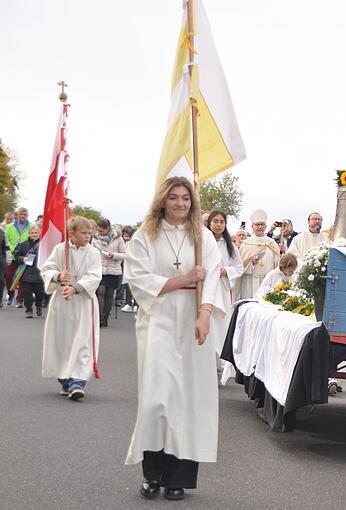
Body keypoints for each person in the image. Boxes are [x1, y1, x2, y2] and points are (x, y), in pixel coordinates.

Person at [124, 176, 226, 501]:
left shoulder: (202, 236)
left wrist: (205, 313)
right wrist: (183, 278)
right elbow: (138, 279)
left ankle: (178, 477)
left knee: (190, 399)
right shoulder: (145, 236)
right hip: (160, 319)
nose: (180, 203)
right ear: (163, 201)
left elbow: (211, 275)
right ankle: (152, 474)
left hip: (193, 320)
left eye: (185, 198)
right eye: (174, 198)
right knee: (158, 398)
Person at [40, 216, 102, 400]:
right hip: (62, 303)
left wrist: (75, 288)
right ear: (72, 233)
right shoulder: (60, 250)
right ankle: (65, 379)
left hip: (83, 301)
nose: (88, 237)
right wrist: (58, 276)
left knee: (83, 341)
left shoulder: (94, 253)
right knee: (63, 340)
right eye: (83, 233)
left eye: (90, 233)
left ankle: (78, 381)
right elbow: (47, 269)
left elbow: (94, 276)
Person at [205, 210, 243, 380]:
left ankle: (221, 365)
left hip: (220, 289)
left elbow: (239, 268)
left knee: (220, 327)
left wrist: (225, 271)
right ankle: (205, 365)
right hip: (204, 288)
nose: (218, 224)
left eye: (221, 221)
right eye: (215, 221)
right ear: (209, 223)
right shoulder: (202, 241)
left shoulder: (230, 246)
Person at [91, 217, 126, 327]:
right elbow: (90, 251)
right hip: (100, 269)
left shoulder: (118, 239)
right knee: (100, 291)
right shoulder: (95, 238)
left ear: (108, 229)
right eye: (98, 230)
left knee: (110, 294)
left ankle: (105, 317)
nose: (99, 233)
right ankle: (100, 317)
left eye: (102, 231)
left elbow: (125, 254)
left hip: (113, 269)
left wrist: (113, 255)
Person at [238, 209, 280, 299]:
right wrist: (251, 263)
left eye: (262, 224)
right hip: (249, 284)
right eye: (257, 224)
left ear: (265, 226)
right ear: (252, 226)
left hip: (268, 284)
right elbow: (239, 268)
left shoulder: (272, 244)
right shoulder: (246, 244)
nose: (260, 227)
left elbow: (277, 265)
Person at [13, 225, 45, 318]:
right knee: (27, 294)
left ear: (39, 233)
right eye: (32, 233)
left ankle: (38, 306)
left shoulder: (43, 245)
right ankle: (29, 310)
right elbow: (16, 254)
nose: (34, 234)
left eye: (36, 233)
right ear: (29, 234)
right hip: (26, 273)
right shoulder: (23, 245)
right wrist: (22, 258)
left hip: (39, 273)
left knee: (39, 293)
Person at [5, 207, 31, 307]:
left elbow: (32, 239)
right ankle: (10, 294)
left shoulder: (31, 226)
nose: (23, 216)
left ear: (27, 216)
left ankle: (19, 300)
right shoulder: (10, 227)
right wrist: (12, 249)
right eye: (21, 214)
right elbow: (6, 239)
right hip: (12, 256)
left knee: (22, 278)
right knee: (8, 277)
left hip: (25, 256)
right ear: (17, 215)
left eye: (25, 214)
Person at [118, 226, 138, 313]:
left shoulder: (144, 245)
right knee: (129, 286)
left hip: (139, 268)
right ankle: (128, 303)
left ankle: (137, 305)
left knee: (138, 287)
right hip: (129, 267)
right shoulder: (127, 244)